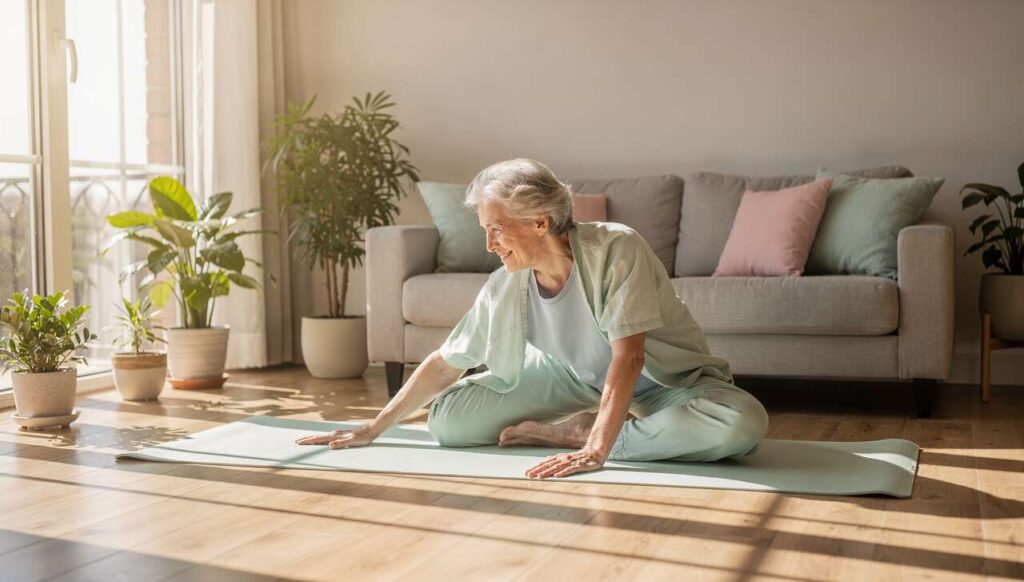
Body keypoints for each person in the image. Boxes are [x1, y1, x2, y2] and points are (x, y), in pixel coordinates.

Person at [297, 158, 770, 479]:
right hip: (570, 377)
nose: (489, 245)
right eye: (485, 231)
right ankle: (592, 428)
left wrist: (596, 447)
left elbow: (630, 356)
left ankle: (578, 432)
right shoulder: (507, 281)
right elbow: (445, 363)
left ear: (540, 222)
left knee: (741, 425)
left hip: (667, 383)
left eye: (496, 229)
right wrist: (372, 428)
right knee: (448, 423)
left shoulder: (616, 248)